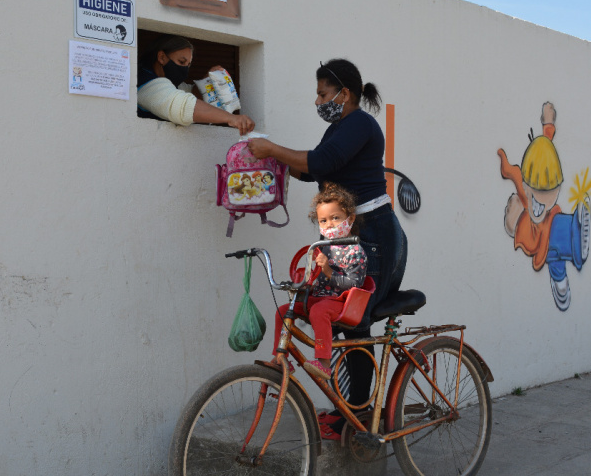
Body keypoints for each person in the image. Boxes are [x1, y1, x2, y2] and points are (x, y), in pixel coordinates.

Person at [249, 58, 407, 438]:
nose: (318, 100)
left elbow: (322, 161)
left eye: (323, 93)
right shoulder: (342, 127)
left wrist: (272, 146)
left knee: (356, 323)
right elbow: (312, 170)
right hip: (349, 237)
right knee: (340, 320)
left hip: (374, 236)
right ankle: (350, 411)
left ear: (345, 93)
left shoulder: (360, 124)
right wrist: (269, 157)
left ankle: (358, 415)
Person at [272, 183, 367, 380]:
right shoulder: (323, 248)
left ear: (350, 219)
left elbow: (354, 285)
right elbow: (315, 278)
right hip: (320, 297)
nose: (329, 225)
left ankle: (324, 364)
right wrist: (305, 281)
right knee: (283, 311)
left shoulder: (355, 251)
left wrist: (327, 270)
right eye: (323, 221)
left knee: (318, 311)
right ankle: (280, 358)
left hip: (341, 302)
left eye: (335, 218)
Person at [136, 35, 255, 135]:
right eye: (181, 62)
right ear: (161, 57)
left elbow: (188, 92)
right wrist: (231, 118)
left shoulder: (168, 81)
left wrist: (207, 82)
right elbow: (183, 106)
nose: (185, 69)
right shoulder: (146, 83)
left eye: (188, 65)